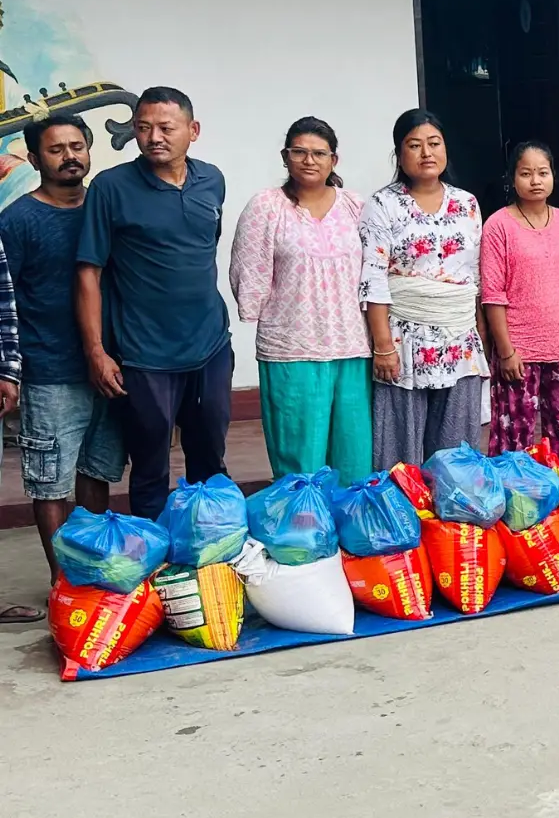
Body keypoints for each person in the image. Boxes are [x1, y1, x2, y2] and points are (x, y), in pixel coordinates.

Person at [75, 86, 231, 521]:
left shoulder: (212, 180)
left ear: (193, 130)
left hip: (210, 345)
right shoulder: (111, 187)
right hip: (145, 353)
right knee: (149, 466)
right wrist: (96, 351)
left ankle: (210, 543)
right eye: (143, 128)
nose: (153, 137)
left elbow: (204, 249)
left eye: (166, 127)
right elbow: (88, 272)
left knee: (211, 457)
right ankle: (156, 554)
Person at [0, 113, 124, 620]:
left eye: (77, 146)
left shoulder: (106, 207)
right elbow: (5, 299)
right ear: (34, 159)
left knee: (97, 473)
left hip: (112, 368)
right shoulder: (17, 220)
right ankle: (63, 583)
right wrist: (11, 370)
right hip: (50, 370)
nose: (70, 156)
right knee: (50, 482)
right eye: (56, 149)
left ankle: (93, 571)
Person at [228, 116, 373, 482]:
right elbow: (248, 267)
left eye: (319, 153)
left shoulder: (356, 206)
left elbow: (376, 272)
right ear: (285, 157)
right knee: (300, 460)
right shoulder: (266, 207)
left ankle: (348, 519)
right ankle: (303, 519)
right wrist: (253, 306)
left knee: (353, 457)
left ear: (333, 160)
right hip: (292, 348)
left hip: (352, 345)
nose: (309, 160)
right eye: (300, 152)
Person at [360, 109, 488, 469]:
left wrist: (481, 335)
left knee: (456, 449)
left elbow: (475, 277)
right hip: (404, 339)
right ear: (399, 154)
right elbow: (373, 276)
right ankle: (402, 504)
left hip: (459, 338)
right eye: (414, 145)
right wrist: (383, 347)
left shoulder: (466, 203)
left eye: (434, 143)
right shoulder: (383, 204)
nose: (426, 153)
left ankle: (451, 504)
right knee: (400, 448)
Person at [479, 141, 559, 457]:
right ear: (512, 179)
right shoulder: (498, 225)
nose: (535, 181)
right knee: (514, 443)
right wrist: (505, 351)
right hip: (518, 350)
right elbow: (492, 295)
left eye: (543, 172)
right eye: (526, 173)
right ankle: (517, 489)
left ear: (554, 176)